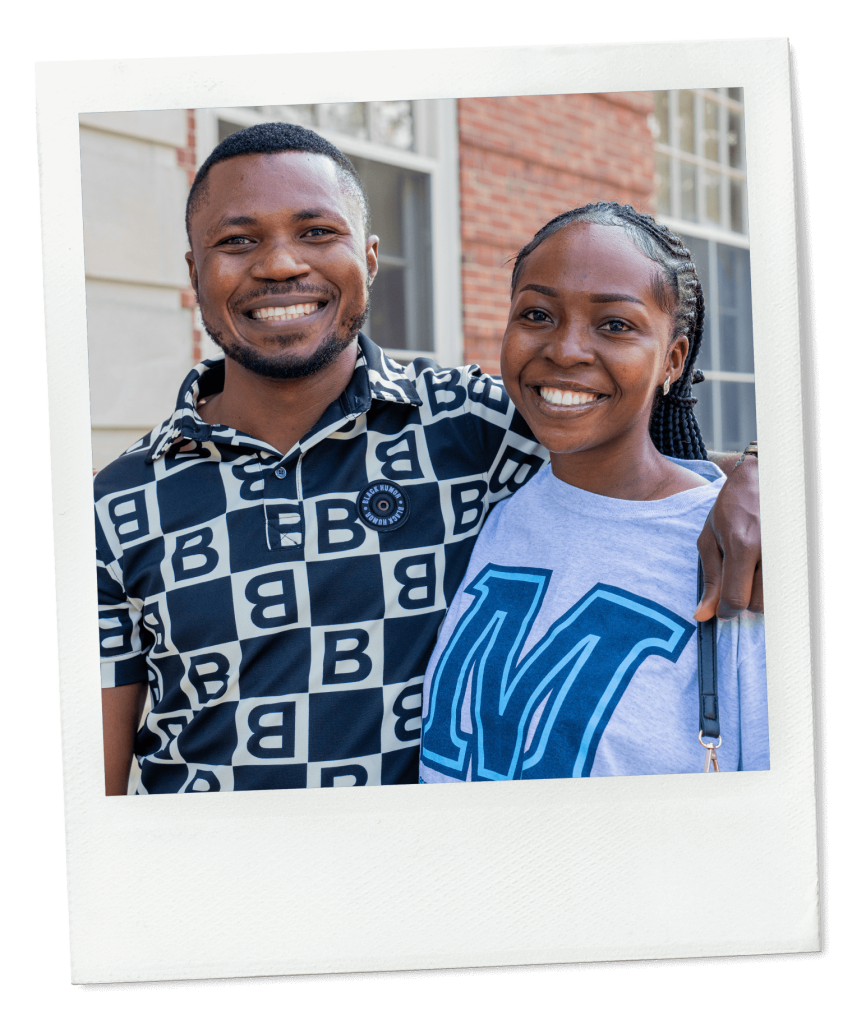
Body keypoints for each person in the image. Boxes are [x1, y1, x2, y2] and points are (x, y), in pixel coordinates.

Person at [96, 124, 763, 795]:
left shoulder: (472, 426)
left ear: (372, 257)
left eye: (317, 232)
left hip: (423, 884)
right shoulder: (115, 507)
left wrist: (760, 478)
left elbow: (624, 442)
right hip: (212, 889)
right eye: (237, 240)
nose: (278, 265)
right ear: (193, 271)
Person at [419, 204, 768, 782]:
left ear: (672, 360)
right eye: (537, 314)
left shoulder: (736, 549)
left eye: (614, 325)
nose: (566, 350)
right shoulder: (491, 503)